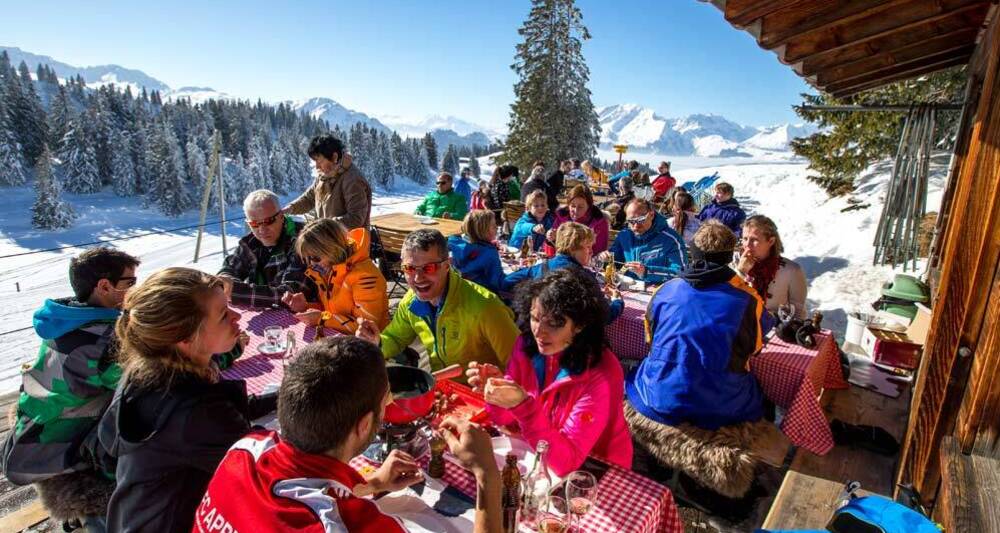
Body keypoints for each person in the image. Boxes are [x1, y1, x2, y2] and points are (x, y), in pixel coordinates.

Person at [194, 336, 504, 533]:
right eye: (386, 401)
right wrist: (487, 473)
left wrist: (371, 485)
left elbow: (301, 490)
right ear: (363, 424)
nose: (389, 407)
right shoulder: (351, 523)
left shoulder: (245, 448)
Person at [99, 268, 277, 533]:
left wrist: (286, 396)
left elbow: (230, 415)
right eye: (222, 315)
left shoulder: (150, 371)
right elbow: (266, 470)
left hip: (134, 517)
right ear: (183, 336)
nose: (237, 316)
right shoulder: (194, 409)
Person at [468, 268, 633, 476]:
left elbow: (567, 462)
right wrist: (496, 393)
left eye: (554, 323)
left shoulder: (602, 373)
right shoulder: (526, 345)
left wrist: (522, 406)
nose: (538, 331)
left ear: (580, 325)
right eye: (535, 318)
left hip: (598, 468)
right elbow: (504, 420)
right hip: (541, 450)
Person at [2, 248, 139, 488]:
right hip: (52, 450)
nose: (136, 289)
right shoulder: (105, 339)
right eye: (131, 282)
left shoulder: (68, 319)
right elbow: (145, 380)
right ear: (105, 286)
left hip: (32, 426)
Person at [625, 221, 774, 431]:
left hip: (659, 394)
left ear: (693, 252)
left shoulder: (664, 290)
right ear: (729, 256)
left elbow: (650, 341)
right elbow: (755, 348)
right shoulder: (748, 300)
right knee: (763, 399)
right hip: (719, 403)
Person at [356, 229, 518, 372]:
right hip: (441, 390)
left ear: (447, 265)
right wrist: (376, 343)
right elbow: (396, 338)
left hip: (483, 395)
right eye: (410, 268)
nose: (418, 278)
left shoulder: (486, 307)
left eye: (429, 268)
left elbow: (522, 365)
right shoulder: (411, 301)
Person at [281, 219, 390, 334]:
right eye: (307, 259)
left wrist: (321, 319)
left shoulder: (365, 277)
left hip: (373, 347)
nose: (312, 264)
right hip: (342, 340)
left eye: (315, 258)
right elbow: (331, 311)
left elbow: (366, 328)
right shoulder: (330, 270)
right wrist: (305, 306)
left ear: (333, 249)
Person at [501, 223, 623, 321]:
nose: (592, 252)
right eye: (588, 247)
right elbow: (604, 316)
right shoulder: (586, 278)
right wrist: (617, 302)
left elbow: (506, 282)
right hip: (572, 344)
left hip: (540, 331)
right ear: (573, 248)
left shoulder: (542, 267)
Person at [218, 190, 309, 309]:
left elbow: (290, 294)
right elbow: (230, 268)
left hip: (302, 318)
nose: (262, 230)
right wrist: (226, 282)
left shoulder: (302, 241)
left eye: (268, 221)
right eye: (255, 224)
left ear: (281, 216)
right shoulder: (250, 243)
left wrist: (238, 291)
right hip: (263, 316)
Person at [285, 134, 372, 229]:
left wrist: (324, 225)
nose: (317, 166)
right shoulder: (324, 177)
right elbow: (309, 199)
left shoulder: (352, 179)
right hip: (327, 238)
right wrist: (290, 208)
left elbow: (356, 218)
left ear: (334, 157)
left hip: (347, 242)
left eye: (319, 161)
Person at [735, 215, 807, 319]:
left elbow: (798, 312)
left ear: (771, 241)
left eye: (754, 240)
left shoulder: (791, 270)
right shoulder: (735, 264)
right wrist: (741, 272)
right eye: (745, 239)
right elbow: (727, 299)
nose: (747, 245)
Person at [601, 199, 687, 285]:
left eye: (640, 220)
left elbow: (681, 273)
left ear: (651, 215)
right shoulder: (625, 235)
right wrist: (605, 260)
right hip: (628, 288)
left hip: (658, 292)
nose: (635, 226)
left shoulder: (671, 239)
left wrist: (647, 271)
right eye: (631, 221)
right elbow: (615, 262)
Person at [447, 210, 504, 294]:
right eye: (493, 226)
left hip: (457, 291)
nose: (497, 227)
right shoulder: (490, 253)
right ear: (482, 230)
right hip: (480, 295)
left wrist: (489, 244)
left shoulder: (454, 242)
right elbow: (497, 282)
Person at [543, 184, 610, 256]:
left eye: (581, 207)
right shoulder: (562, 217)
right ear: (568, 205)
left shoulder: (599, 223)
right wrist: (551, 239)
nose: (576, 210)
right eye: (573, 206)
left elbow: (599, 253)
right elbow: (549, 252)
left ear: (589, 206)